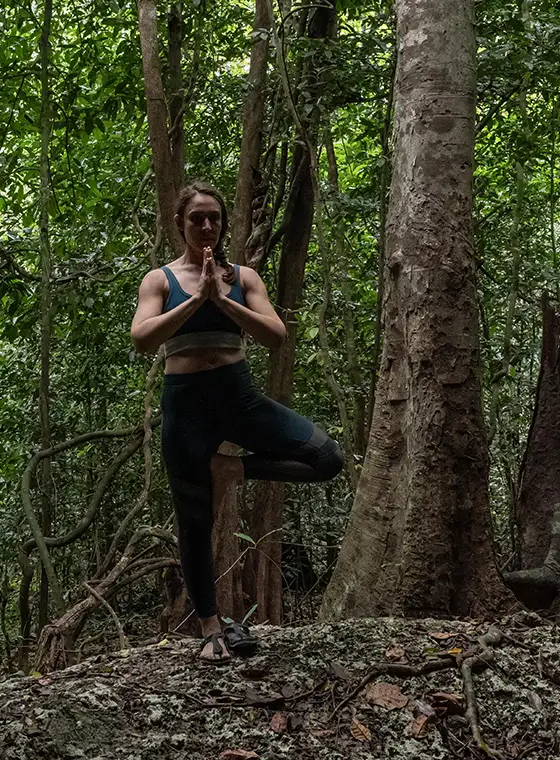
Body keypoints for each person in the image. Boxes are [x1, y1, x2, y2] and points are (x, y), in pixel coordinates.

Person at [130, 181, 343, 663]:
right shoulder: (159, 280)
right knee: (194, 519)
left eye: (215, 218)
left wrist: (221, 300)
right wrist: (196, 299)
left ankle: (233, 468)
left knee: (327, 457)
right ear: (179, 223)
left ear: (223, 224)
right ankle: (210, 626)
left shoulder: (244, 277)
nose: (206, 225)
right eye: (196, 218)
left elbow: (275, 335)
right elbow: (143, 339)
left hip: (239, 398)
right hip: (185, 406)